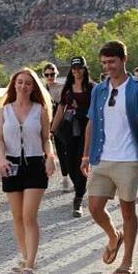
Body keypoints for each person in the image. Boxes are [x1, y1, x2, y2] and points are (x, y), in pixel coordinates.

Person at [81, 41, 138, 274]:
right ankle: (114, 236)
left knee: (127, 211)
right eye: (103, 63)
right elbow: (91, 123)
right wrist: (85, 155)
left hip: (128, 160)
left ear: (124, 59)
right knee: (94, 208)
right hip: (102, 157)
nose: (107, 67)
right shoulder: (99, 90)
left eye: (112, 62)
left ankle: (127, 261)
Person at [0, 68, 56, 274]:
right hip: (11, 165)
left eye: (28, 83)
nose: (23, 86)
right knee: (18, 217)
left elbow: (46, 138)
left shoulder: (40, 110)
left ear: (33, 87)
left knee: (29, 217)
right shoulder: (4, 111)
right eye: (20, 82)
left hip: (34, 165)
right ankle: (25, 256)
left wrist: (50, 156)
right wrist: (2, 160)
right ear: (14, 85)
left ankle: (30, 266)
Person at [51, 57, 94, 217]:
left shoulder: (91, 88)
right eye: (74, 68)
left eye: (80, 67)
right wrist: (52, 130)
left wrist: (80, 109)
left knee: (80, 161)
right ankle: (80, 188)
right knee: (69, 164)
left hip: (86, 130)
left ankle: (78, 199)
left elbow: (95, 112)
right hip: (69, 130)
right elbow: (60, 110)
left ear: (85, 69)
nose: (76, 70)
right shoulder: (67, 88)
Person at [43, 62, 71, 193]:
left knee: (64, 150)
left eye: (52, 74)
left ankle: (68, 177)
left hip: (61, 123)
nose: (50, 77)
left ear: (56, 74)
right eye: (47, 74)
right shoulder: (42, 90)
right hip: (45, 123)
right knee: (49, 152)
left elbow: (64, 106)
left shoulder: (62, 88)